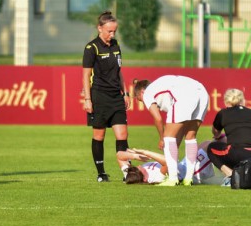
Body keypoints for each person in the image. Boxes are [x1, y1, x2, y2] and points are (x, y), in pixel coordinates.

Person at [132, 75, 209, 186]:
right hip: (202, 91)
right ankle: (188, 179)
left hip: (185, 94)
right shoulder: (160, 87)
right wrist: (173, 144)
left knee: (168, 137)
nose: (144, 104)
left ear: (142, 92)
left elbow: (158, 119)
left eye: (141, 100)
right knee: (190, 137)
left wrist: (161, 138)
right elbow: (180, 127)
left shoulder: (148, 93)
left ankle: (172, 179)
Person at [82, 11, 131, 182]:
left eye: (114, 31)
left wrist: (125, 93)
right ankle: (101, 173)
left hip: (116, 97)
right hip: (99, 97)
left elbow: (119, 72)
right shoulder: (91, 48)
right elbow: (86, 76)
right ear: (99, 28)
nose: (112, 34)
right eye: (109, 31)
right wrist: (87, 99)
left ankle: (127, 172)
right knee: (99, 136)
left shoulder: (116, 45)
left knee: (122, 135)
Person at [206, 88, 251, 181]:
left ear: (226, 101)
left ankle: (231, 175)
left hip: (239, 154)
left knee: (211, 148)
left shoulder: (223, 113)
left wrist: (218, 136)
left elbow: (216, 132)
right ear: (242, 100)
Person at [116, 141, 222, 185]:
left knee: (207, 143)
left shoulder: (129, 175)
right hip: (192, 172)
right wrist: (146, 152)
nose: (139, 166)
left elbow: (119, 156)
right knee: (210, 146)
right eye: (139, 168)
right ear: (144, 178)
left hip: (184, 165)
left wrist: (134, 156)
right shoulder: (154, 177)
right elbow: (168, 162)